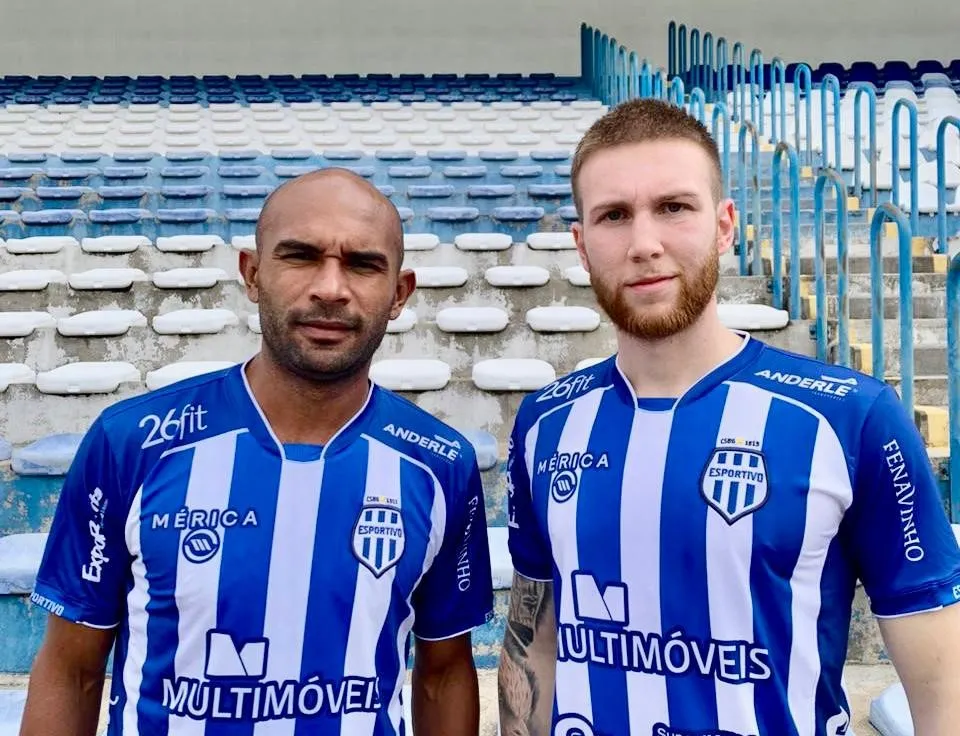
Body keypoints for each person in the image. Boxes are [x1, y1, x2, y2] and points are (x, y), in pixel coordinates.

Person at [497, 97, 960, 736]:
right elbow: (533, 644)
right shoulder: (545, 423)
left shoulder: (851, 419)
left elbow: (944, 694)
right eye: (613, 216)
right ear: (581, 244)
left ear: (724, 226)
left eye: (673, 207)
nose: (644, 244)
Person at [20, 168, 494, 736]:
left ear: (399, 293)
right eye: (300, 256)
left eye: (362, 264)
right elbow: (72, 668)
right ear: (252, 274)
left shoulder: (440, 463)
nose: (330, 288)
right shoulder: (132, 442)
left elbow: (443, 673)